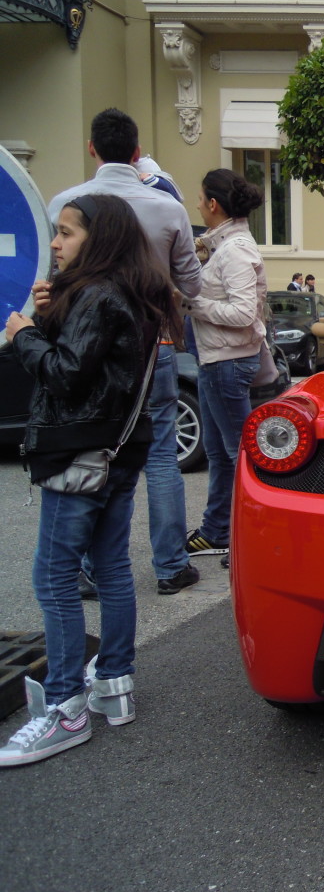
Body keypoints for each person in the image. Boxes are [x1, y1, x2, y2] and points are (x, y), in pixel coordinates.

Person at [0, 194, 183, 765]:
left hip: (77, 455)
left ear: (97, 239)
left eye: (67, 233)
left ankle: (64, 707)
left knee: (54, 577)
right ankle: (115, 685)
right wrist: (51, 313)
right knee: (111, 569)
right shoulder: (135, 294)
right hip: (119, 454)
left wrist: (25, 333)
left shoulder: (98, 295)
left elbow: (66, 373)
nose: (55, 243)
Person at [45, 109, 202, 598]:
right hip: (152, 344)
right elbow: (191, 283)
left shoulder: (66, 204)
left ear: (92, 149)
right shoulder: (168, 208)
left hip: (86, 346)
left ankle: (92, 567)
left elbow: (55, 278)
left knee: (92, 450)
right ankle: (171, 565)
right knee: (158, 456)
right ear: (137, 153)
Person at [182, 170, 268, 564]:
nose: (197, 204)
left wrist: (192, 303)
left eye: (200, 198)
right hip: (221, 359)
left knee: (241, 456)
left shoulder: (234, 250)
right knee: (221, 453)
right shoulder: (227, 245)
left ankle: (251, 537)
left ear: (214, 205)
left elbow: (243, 313)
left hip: (227, 362)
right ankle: (218, 530)